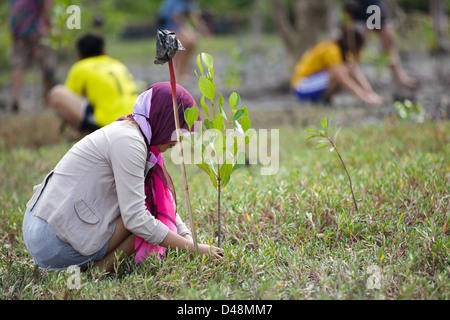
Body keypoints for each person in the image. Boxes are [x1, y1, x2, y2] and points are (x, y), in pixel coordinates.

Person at [23, 82, 224, 272]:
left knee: (147, 206)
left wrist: (188, 239)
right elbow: (138, 218)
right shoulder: (131, 143)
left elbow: (164, 202)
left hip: (43, 228)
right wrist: (193, 248)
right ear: (165, 120)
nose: (178, 140)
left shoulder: (135, 136)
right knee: (144, 216)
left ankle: (84, 267)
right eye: (178, 130)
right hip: (53, 239)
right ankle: (97, 273)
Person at [48, 33, 138, 134]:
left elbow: (72, 97)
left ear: (79, 56)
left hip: (108, 123)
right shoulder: (117, 64)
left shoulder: (81, 66)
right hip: (134, 121)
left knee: (57, 94)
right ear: (104, 53)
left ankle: (83, 136)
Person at [291, 26, 384, 106]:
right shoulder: (332, 50)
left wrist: (370, 94)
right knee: (339, 72)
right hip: (301, 87)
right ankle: (319, 100)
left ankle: (323, 99)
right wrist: (364, 98)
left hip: (313, 84)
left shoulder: (344, 53)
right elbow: (343, 79)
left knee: (348, 68)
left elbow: (355, 72)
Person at [344, 0, 419, 89]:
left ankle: (399, 77)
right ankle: (351, 77)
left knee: (388, 41)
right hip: (358, 7)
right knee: (357, 44)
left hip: (374, 6)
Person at [8, 0, 56, 113]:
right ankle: (47, 101)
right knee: (46, 65)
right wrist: (47, 23)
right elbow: (46, 5)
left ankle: (15, 98)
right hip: (36, 28)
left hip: (18, 29)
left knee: (18, 64)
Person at [157, 0, 209, 81]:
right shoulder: (175, 2)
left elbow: (194, 13)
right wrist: (186, 30)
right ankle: (180, 72)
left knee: (192, 41)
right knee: (187, 41)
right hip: (167, 26)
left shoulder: (190, 2)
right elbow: (177, 16)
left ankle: (184, 69)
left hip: (178, 24)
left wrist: (201, 26)